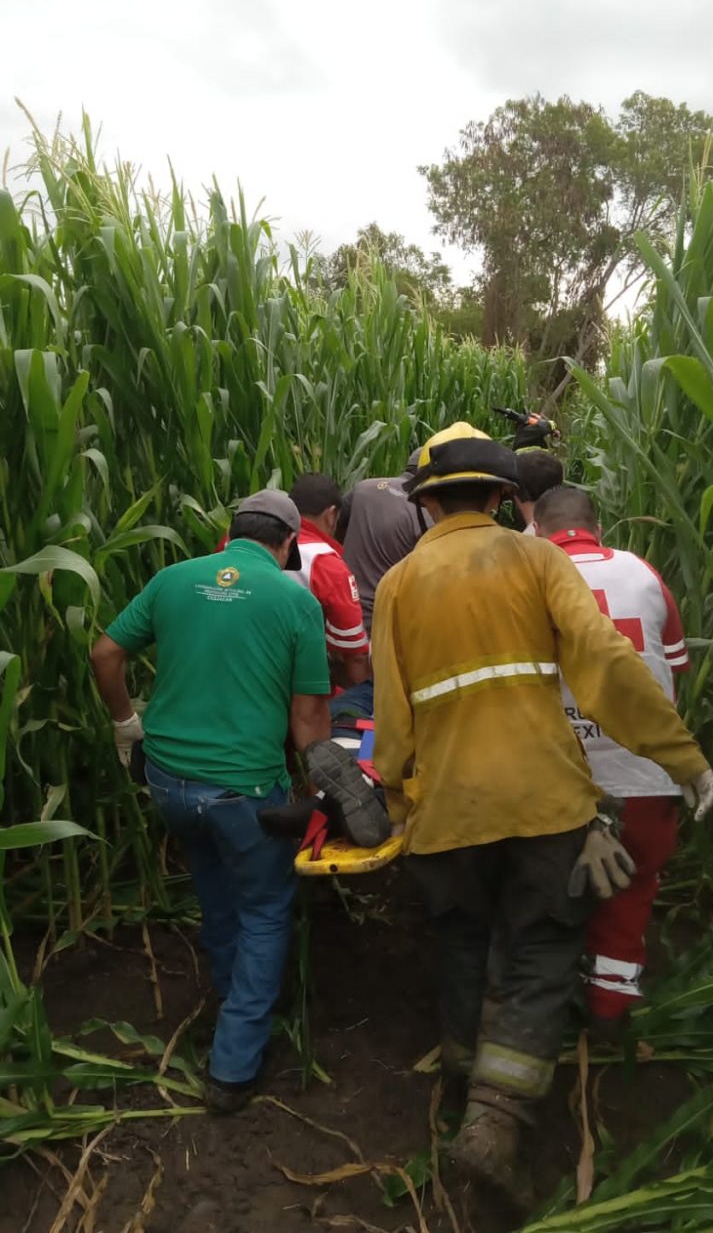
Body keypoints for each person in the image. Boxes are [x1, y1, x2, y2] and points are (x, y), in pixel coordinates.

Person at [371, 422, 713, 1207]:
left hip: (449, 810)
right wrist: (682, 757)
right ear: (502, 497)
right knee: (539, 953)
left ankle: (463, 1078)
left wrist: (397, 804)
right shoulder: (536, 559)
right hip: (545, 805)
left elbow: (393, 720)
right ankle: (495, 1123)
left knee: (463, 939)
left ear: (426, 503)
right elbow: (606, 664)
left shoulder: (397, 584)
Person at [90, 491, 332, 1115]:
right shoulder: (295, 600)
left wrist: (126, 723)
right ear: (288, 543)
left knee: (215, 890)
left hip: (169, 781)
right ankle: (234, 1065)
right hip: (243, 789)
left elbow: (105, 653)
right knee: (265, 910)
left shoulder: (174, 579)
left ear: (231, 532)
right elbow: (309, 716)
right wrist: (320, 789)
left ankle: (233, 996)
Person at [534, 485, 692, 1029]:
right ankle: (610, 1005)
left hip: (557, 781)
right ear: (597, 528)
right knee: (631, 890)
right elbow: (675, 667)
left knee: (544, 895)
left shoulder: (528, 576)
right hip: (645, 775)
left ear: (539, 531)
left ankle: (542, 1013)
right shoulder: (642, 573)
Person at [288, 473, 371, 689]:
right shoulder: (325, 562)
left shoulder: (235, 541)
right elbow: (354, 655)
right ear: (331, 515)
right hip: (295, 687)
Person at [338, 448, 430, 637]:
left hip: (342, 609)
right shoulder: (427, 512)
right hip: (381, 619)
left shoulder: (364, 488)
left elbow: (334, 526)